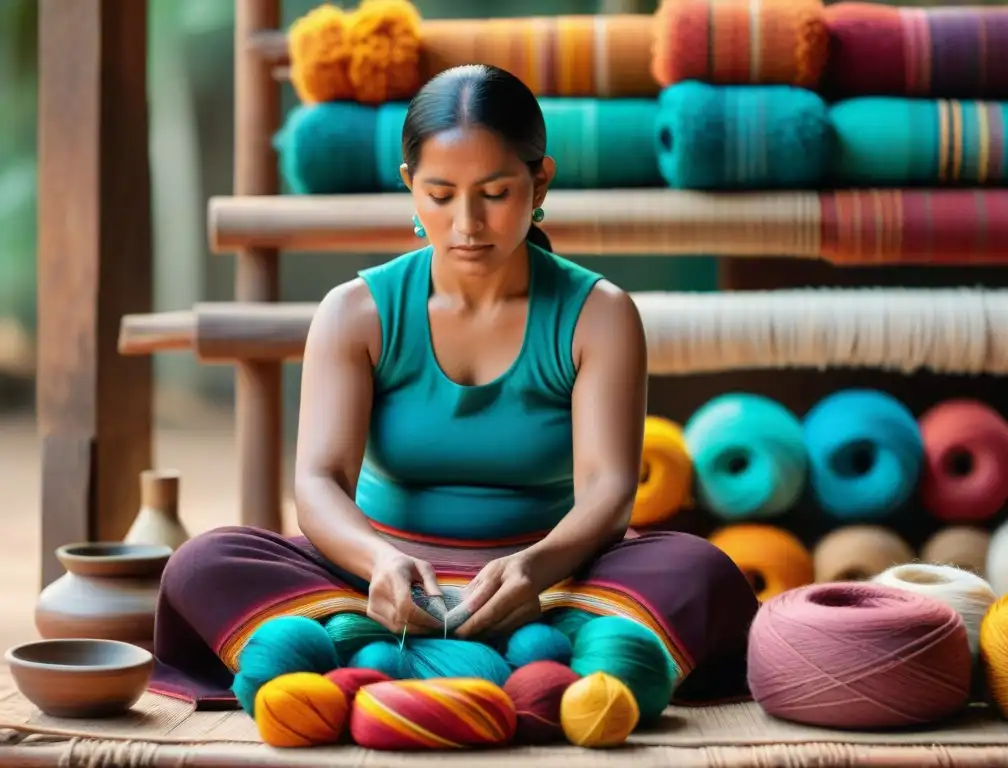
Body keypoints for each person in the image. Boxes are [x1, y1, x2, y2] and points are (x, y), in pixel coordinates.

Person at [150, 64, 759, 708]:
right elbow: (318, 482)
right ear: (411, 187)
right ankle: (536, 672)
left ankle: (366, 665)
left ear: (539, 180)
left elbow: (608, 491)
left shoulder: (599, 314)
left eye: (494, 193)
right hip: (377, 583)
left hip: (550, 582)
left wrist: (533, 567)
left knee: (701, 572)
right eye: (441, 195)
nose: (467, 224)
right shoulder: (355, 311)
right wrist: (378, 564)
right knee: (203, 562)